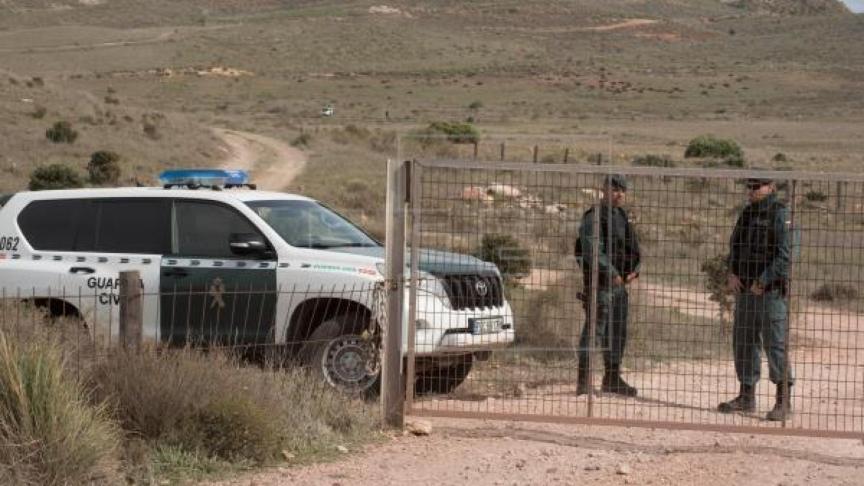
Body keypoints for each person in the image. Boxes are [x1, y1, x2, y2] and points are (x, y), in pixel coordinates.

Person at [718, 175, 794, 421]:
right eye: (749, 187)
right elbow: (734, 246)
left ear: (771, 187)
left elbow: (785, 256)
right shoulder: (747, 214)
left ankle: (783, 401)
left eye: (756, 187)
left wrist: (763, 280)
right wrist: (731, 273)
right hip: (745, 291)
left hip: (769, 292)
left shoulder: (780, 214)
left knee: (775, 344)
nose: (751, 191)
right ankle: (746, 395)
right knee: (744, 342)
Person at [576, 174, 641, 397]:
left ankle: (612, 378)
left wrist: (635, 270)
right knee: (595, 331)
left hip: (620, 286)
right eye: (614, 189)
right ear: (603, 190)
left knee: (617, 333)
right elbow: (592, 250)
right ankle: (584, 382)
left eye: (622, 190)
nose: (619, 194)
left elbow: (634, 248)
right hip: (600, 285)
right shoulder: (594, 217)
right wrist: (611, 273)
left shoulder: (622, 216)